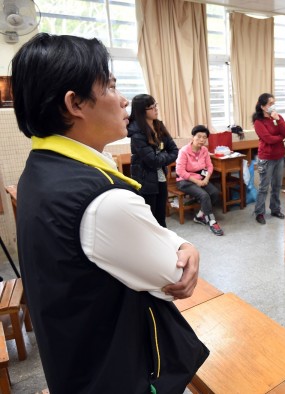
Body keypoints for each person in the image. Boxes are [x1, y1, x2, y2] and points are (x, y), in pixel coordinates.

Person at [11, 33, 207, 392]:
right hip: (113, 370)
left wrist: (174, 240)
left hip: (72, 362)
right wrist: (187, 247)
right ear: (75, 104)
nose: (122, 101)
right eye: (110, 86)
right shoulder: (103, 201)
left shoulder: (39, 168)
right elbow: (171, 278)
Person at [127, 94, 179, 227]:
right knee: (151, 221)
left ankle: (165, 245)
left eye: (156, 105)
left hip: (161, 178)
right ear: (141, 111)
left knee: (161, 218)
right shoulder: (137, 133)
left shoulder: (159, 126)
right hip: (145, 181)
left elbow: (174, 150)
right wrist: (162, 156)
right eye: (152, 107)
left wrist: (160, 157)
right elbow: (152, 161)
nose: (156, 109)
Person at [176, 125, 224, 236]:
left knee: (215, 193)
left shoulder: (204, 150)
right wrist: (197, 182)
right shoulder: (184, 151)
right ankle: (212, 221)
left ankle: (199, 216)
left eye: (204, 137)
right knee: (204, 195)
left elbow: (209, 166)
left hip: (201, 178)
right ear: (193, 137)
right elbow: (180, 171)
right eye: (199, 137)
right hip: (184, 180)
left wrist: (206, 178)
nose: (202, 140)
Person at [252, 92, 285, 224]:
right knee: (264, 187)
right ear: (263, 106)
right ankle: (259, 212)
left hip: (279, 156)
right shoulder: (258, 121)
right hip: (266, 157)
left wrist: (278, 120)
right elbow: (268, 139)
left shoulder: (278, 117)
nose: (273, 106)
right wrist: (281, 138)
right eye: (270, 104)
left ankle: (275, 209)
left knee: (277, 185)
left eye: (273, 103)